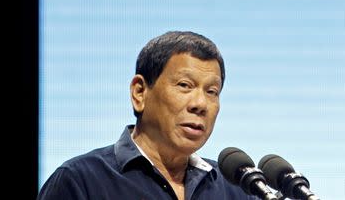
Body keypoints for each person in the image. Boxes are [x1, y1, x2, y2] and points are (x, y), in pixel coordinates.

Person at [38, 31, 259, 200]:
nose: (200, 104)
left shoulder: (236, 189)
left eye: (212, 92)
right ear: (140, 92)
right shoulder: (80, 180)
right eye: (184, 85)